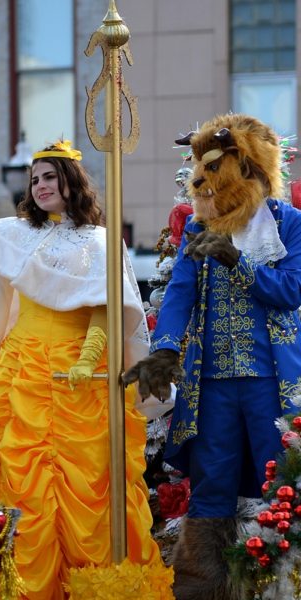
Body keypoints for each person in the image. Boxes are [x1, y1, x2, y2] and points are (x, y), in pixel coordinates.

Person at [0, 137, 161, 599]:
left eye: (49, 176)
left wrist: (84, 359)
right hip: (22, 369)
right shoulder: (17, 232)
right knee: (12, 479)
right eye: (33, 179)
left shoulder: (98, 239)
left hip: (81, 373)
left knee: (90, 490)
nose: (40, 186)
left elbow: (107, 305)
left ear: (70, 180)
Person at [123, 113, 301, 600]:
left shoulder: (289, 225)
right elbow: (179, 294)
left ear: (247, 168)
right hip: (214, 385)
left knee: (281, 487)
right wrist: (163, 352)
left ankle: (281, 586)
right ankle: (201, 588)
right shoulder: (197, 229)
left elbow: (291, 291)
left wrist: (236, 260)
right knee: (210, 491)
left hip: (271, 383)